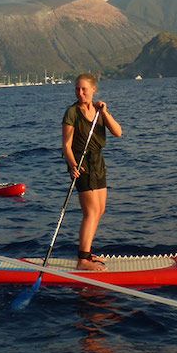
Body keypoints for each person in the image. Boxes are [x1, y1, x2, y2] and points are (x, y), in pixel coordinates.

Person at [62, 74, 123, 271]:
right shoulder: (72, 112)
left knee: (100, 209)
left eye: (84, 89)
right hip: (82, 163)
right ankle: (82, 260)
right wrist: (73, 165)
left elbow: (118, 132)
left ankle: (87, 253)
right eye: (77, 89)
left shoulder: (98, 110)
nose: (80, 93)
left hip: (98, 162)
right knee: (91, 212)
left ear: (93, 89)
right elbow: (66, 145)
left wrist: (104, 112)